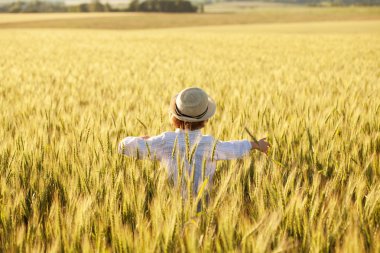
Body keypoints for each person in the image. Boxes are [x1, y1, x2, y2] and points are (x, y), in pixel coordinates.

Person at [118, 87, 270, 197]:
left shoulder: (164, 141)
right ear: (205, 120)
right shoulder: (210, 144)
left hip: (172, 203)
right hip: (201, 204)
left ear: (174, 117)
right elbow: (232, 148)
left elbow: (125, 146)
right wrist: (255, 144)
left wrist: (142, 139)